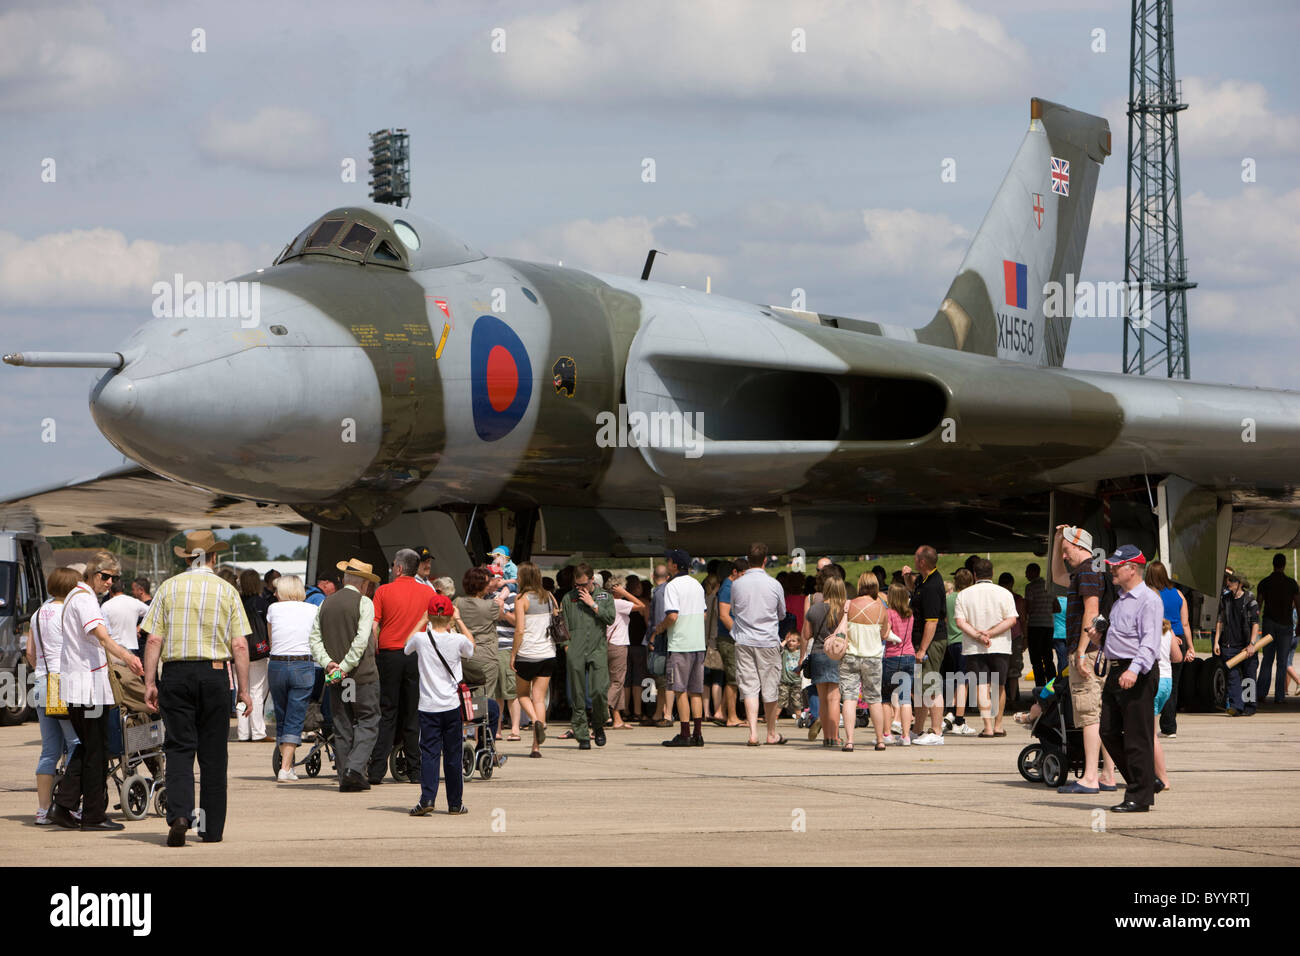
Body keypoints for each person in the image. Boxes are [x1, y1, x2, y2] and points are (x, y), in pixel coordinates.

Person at [142, 532, 251, 846]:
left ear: (187, 558)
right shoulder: (226, 590)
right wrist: (244, 689)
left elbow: (153, 639)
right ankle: (211, 828)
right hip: (215, 673)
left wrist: (150, 682)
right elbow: (240, 645)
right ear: (213, 557)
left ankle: (179, 814)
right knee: (214, 754)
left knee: (178, 748)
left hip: (176, 673)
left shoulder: (168, 587)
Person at [47, 554, 146, 833]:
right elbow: (101, 635)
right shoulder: (86, 599)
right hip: (88, 689)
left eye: (113, 577)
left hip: (81, 686)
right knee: (97, 751)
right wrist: (128, 656)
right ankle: (92, 814)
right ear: (92, 574)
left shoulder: (76, 597)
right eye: (105, 576)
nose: (109, 582)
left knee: (90, 748)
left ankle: (64, 805)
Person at [1050, 525, 1118, 795]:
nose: (1064, 556)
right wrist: (1057, 542)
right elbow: (1056, 575)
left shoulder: (1088, 571)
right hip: (1097, 653)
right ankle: (1107, 774)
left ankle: (1089, 777)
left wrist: (1079, 652)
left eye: (1067, 551)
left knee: (1089, 715)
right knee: (1101, 714)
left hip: (1088, 654)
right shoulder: (1085, 571)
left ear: (1080, 546)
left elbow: (1091, 612)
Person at [1097, 545, 1164, 812]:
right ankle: (1145, 779)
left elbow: (1149, 642)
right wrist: (1099, 641)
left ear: (1132, 568)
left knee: (1137, 736)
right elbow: (1119, 638)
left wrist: (1134, 670)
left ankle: (1139, 796)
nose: (1112, 569)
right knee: (1108, 731)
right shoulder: (1121, 599)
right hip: (1117, 670)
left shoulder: (1149, 600)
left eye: (1117, 565)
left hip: (1137, 672)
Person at [309, 559, 382, 791]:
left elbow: (314, 639)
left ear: (345, 580)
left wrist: (329, 663)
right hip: (361, 676)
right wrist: (345, 666)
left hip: (336, 678)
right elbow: (362, 640)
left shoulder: (326, 603)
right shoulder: (364, 603)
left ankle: (345, 776)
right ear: (364, 584)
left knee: (342, 724)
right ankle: (354, 767)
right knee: (368, 721)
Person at [368, 548, 439, 785]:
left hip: (389, 654)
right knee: (412, 713)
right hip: (417, 654)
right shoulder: (427, 592)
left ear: (398, 568)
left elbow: (374, 626)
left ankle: (376, 770)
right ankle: (415, 770)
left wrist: (375, 650)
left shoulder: (384, 590)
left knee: (387, 712)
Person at [406, 593, 475, 815]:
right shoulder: (457, 640)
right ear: (449, 616)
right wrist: (461, 620)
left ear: (430, 614)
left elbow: (406, 645)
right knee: (453, 755)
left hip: (428, 707)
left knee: (430, 754)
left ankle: (427, 798)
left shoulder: (421, 639)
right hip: (451, 706)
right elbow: (472, 648)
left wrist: (422, 620)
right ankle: (455, 803)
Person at [26, 567, 83, 826]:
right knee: (76, 744)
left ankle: (42, 809)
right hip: (63, 684)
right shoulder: (69, 613)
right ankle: (67, 805)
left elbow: (30, 652)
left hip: (40, 681)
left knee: (49, 750)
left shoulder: (38, 614)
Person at [730, 542, 789, 746]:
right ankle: (771, 732)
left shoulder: (737, 584)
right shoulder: (774, 585)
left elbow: (735, 611)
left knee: (749, 687)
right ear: (765, 560)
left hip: (744, 639)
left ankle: (753, 732)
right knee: (770, 687)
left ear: (747, 560)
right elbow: (782, 613)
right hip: (767, 641)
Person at [649, 550, 708, 747]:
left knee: (680, 689)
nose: (667, 563)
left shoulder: (672, 586)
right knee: (696, 691)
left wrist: (659, 628)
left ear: (675, 565)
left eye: (669, 560)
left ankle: (684, 733)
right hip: (698, 643)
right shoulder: (697, 585)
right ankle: (698, 734)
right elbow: (704, 614)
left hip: (680, 643)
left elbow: (672, 615)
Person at [954, 558, 1018, 737]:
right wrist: (991, 633)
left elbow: (960, 622)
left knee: (982, 685)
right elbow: (1011, 620)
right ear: (992, 574)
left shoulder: (964, 594)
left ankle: (988, 726)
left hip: (975, 647)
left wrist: (978, 635)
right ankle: (998, 725)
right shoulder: (1004, 593)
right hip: (1000, 646)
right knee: (999, 686)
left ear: (974, 575)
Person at [266, 575, 320, 781]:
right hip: (302, 663)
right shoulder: (312, 609)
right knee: (296, 716)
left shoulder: (273, 609)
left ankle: (286, 764)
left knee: (282, 715)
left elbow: (272, 640)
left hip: (277, 664)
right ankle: (286, 767)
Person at [561, 563, 616, 749]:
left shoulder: (604, 596)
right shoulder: (569, 598)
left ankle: (599, 725)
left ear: (592, 580)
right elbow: (563, 623)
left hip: (597, 648)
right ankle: (582, 734)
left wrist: (593, 605)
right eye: (577, 585)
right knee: (577, 694)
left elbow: (610, 618)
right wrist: (566, 646)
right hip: (575, 648)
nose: (580, 589)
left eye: (583, 585)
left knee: (600, 690)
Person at [511, 562, 557, 757]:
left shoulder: (521, 599)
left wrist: (513, 654)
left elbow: (520, 629)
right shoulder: (548, 596)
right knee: (539, 698)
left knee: (522, 695)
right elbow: (556, 618)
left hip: (527, 654)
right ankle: (536, 747)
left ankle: (536, 721)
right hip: (548, 653)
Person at [840, 572, 887, 751]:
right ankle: (880, 740)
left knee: (850, 698)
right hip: (873, 658)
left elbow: (841, 628)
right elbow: (884, 634)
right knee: (874, 699)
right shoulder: (881, 608)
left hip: (850, 656)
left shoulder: (849, 605)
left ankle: (850, 740)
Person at [1145, 561, 1192, 738]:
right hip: (1177, 640)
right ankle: (1169, 726)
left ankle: (1154, 721)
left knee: (1154, 682)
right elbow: (1185, 623)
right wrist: (1191, 647)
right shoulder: (1179, 594)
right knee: (1173, 684)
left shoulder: (1150, 594)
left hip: (1160, 637)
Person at [907, 545, 947, 745]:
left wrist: (922, 649)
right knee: (922, 686)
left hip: (930, 642)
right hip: (923, 641)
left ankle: (937, 731)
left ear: (922, 562)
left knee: (931, 685)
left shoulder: (932, 585)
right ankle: (917, 729)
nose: (914, 561)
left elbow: (931, 621)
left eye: (915, 558)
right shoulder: (924, 580)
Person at [801, 576, 845, 747]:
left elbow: (806, 634)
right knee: (834, 698)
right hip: (837, 655)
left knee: (823, 699)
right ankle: (834, 737)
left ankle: (827, 737)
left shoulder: (814, 609)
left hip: (819, 654)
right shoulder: (843, 609)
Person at [1256, 553, 1300, 705]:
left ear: (1273, 564)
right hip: (1286, 624)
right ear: (1284, 564)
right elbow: (1298, 604)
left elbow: (1258, 605)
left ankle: (1261, 693)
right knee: (1282, 662)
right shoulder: (1291, 583)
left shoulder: (1265, 582)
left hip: (1269, 623)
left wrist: (1254, 624)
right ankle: (1279, 696)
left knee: (1267, 660)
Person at [1215, 572, 1260, 717]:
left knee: (1249, 676)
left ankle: (1249, 706)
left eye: (1232, 581)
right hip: (1229, 644)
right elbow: (1220, 621)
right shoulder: (1225, 599)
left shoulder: (1250, 600)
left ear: (1240, 584)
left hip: (1247, 645)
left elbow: (1255, 624)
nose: (1229, 583)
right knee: (1232, 677)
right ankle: (1236, 706)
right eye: (1229, 580)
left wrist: (1252, 643)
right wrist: (1216, 642)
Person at [604, 575, 644, 731]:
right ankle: (601, 709)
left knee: (615, 681)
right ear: (617, 588)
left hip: (607, 644)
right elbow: (641, 606)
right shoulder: (619, 603)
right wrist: (625, 593)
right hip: (618, 645)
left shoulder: (605, 602)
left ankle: (617, 718)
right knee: (618, 682)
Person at [236, 569, 271, 743]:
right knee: (256, 692)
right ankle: (258, 732)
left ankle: (243, 733)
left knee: (242, 691)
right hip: (258, 652)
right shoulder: (262, 603)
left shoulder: (236, 602)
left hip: (237, 653)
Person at [487, 570, 522, 739]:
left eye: (495, 577)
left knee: (511, 691)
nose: (493, 581)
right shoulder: (487, 597)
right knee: (496, 693)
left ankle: (515, 728)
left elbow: (518, 621)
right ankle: (498, 728)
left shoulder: (513, 597)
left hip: (507, 648)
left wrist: (504, 614)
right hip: (492, 648)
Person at [945, 569, 978, 736]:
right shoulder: (969, 598)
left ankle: (951, 712)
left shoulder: (949, 598)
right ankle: (959, 719)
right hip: (965, 641)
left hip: (951, 642)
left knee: (955, 679)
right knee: (963, 682)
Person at [714, 559, 747, 727]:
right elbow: (724, 615)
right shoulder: (728, 588)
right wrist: (739, 635)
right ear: (734, 572)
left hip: (730, 637)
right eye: (742, 574)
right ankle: (732, 717)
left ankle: (720, 711)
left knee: (734, 676)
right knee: (733, 678)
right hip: (729, 638)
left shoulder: (731, 586)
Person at [881, 583, 915, 745]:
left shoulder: (889, 613)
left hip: (892, 657)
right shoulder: (910, 615)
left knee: (886, 698)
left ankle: (887, 734)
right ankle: (906, 736)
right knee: (905, 698)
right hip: (909, 655)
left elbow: (885, 634)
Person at [644, 563, 673, 726]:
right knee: (660, 679)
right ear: (667, 577)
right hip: (663, 639)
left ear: (653, 577)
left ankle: (665, 713)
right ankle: (658, 713)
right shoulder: (664, 591)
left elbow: (660, 619)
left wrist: (653, 636)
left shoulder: (660, 593)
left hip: (661, 640)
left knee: (662, 677)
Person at [1024, 563, 1057, 689]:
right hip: (1048, 625)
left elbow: (1029, 607)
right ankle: (1053, 686)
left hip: (1035, 625)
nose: (1025, 574)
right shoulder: (1049, 586)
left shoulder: (1030, 587)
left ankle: (1040, 687)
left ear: (1033, 572)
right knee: (1048, 658)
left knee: (1036, 660)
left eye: (1027, 571)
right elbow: (1056, 607)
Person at [1152, 619, 1175, 791]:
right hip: (1167, 680)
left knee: (1149, 735)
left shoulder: (1147, 628)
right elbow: (1178, 657)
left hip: (1154, 680)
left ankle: (1162, 778)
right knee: (1149, 732)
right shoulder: (1169, 631)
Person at [998, 572, 1027, 707]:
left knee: (1001, 668)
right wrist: (1025, 637)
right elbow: (1022, 620)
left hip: (1000, 636)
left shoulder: (996, 598)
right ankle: (1013, 698)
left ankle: (1002, 698)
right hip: (1014, 636)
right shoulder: (1018, 599)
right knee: (1014, 669)